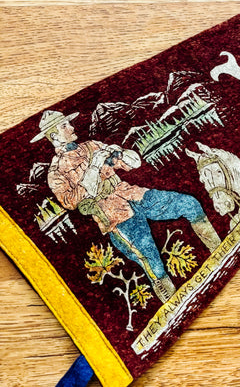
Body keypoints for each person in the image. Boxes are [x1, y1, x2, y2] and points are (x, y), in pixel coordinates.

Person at [31, 110, 221, 303]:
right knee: (152, 263)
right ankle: (175, 304)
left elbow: (133, 163)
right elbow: (72, 202)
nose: (71, 127)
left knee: (190, 204)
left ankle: (219, 252)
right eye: (64, 126)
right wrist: (95, 165)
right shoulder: (56, 173)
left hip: (133, 194)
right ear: (54, 136)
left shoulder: (91, 145)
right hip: (114, 215)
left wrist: (119, 153)